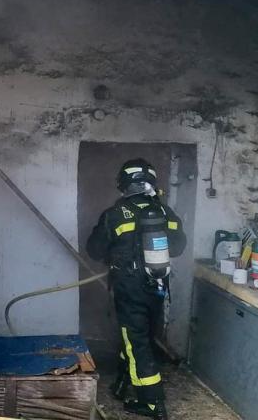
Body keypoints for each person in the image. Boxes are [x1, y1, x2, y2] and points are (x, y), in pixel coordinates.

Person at [86, 159, 186, 420]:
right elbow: (178, 247)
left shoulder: (115, 214)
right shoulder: (164, 211)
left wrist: (118, 251)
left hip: (130, 288)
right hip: (157, 287)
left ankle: (153, 403)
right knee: (137, 337)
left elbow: (94, 249)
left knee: (136, 342)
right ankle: (122, 384)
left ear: (124, 184)